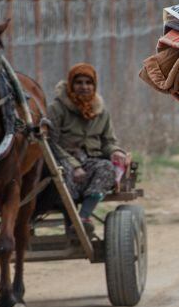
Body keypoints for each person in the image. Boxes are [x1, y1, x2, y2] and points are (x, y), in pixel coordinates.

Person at [48, 63, 128, 236]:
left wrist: (115, 151)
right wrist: (74, 165)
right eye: (79, 82)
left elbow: (107, 141)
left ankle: (83, 218)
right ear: (71, 84)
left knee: (106, 169)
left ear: (94, 85)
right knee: (62, 176)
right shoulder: (57, 108)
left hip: (91, 159)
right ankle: (72, 222)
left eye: (88, 83)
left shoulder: (101, 111)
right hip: (63, 159)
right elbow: (51, 142)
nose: (84, 87)